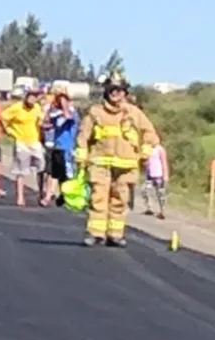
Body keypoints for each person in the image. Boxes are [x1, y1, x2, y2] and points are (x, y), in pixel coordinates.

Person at [78, 75, 159, 246]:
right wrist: (81, 154)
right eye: (111, 90)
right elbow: (83, 135)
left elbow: (150, 134)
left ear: (125, 92)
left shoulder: (134, 113)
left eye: (119, 90)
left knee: (120, 199)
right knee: (98, 198)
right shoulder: (96, 112)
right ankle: (95, 233)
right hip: (100, 162)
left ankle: (115, 234)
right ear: (106, 92)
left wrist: (145, 150)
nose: (115, 93)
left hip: (126, 164)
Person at [5, 88, 45, 206]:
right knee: (21, 170)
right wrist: (9, 131)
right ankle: (20, 197)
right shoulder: (17, 107)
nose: (32, 99)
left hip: (34, 141)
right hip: (21, 141)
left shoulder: (37, 108)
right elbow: (3, 117)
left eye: (35, 97)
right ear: (26, 97)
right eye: (30, 96)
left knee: (41, 167)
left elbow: (40, 122)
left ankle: (41, 192)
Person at [40, 88, 77, 206]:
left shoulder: (72, 113)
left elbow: (68, 117)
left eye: (63, 99)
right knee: (53, 173)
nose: (61, 101)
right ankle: (48, 196)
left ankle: (66, 196)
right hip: (57, 146)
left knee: (67, 174)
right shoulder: (56, 113)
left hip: (68, 148)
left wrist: (64, 103)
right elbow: (46, 124)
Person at [138, 140, 169, 217]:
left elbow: (164, 162)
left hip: (158, 175)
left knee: (160, 194)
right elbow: (145, 161)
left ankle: (162, 211)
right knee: (145, 190)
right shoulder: (147, 149)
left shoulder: (160, 149)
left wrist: (165, 175)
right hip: (150, 175)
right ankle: (149, 208)